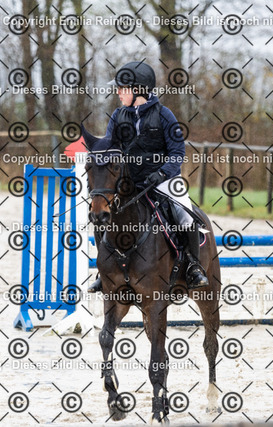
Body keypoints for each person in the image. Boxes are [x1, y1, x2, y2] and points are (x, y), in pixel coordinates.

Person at [88, 61, 208, 293]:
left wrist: (162, 173)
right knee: (100, 214)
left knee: (184, 214)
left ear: (138, 90)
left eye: (122, 88)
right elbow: (110, 149)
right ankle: (104, 272)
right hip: (128, 183)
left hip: (163, 180)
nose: (118, 92)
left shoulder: (164, 115)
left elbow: (177, 152)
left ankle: (194, 267)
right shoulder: (118, 115)